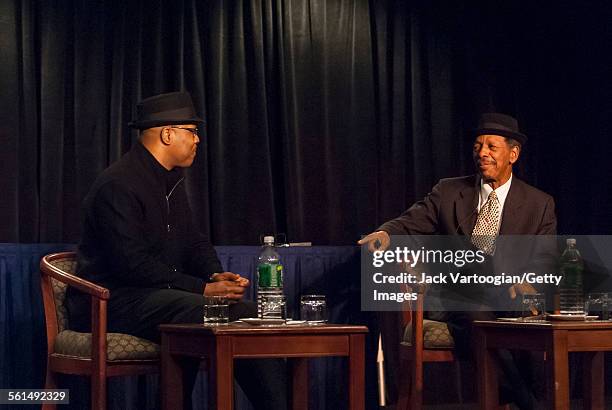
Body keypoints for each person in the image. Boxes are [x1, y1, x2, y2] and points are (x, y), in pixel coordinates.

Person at [66, 91, 287, 409]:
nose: (197, 140)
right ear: (168, 133)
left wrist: (213, 272)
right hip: (113, 301)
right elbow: (131, 264)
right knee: (226, 312)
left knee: (240, 315)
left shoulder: (171, 182)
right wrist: (204, 288)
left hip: (156, 297)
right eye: (192, 131)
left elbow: (193, 240)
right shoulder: (118, 184)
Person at [358, 113, 556, 409]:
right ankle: (529, 404)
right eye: (478, 146)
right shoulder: (449, 191)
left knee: (520, 320)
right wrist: (386, 233)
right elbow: (411, 221)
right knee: (477, 313)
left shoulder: (539, 203)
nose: (482, 153)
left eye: (491, 147)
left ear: (513, 154)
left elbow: (544, 257)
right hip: (455, 294)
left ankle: (516, 397)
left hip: (507, 296)